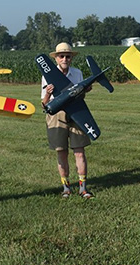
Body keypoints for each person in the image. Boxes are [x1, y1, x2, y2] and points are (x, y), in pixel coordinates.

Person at [41, 42, 94, 199]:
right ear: (56, 58)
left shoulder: (77, 73)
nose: (64, 58)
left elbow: (80, 95)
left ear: (71, 58)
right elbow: (44, 104)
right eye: (61, 56)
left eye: (67, 56)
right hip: (56, 115)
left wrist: (85, 89)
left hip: (75, 112)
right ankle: (66, 187)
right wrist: (48, 94)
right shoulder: (47, 75)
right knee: (61, 152)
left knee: (79, 151)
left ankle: (83, 188)